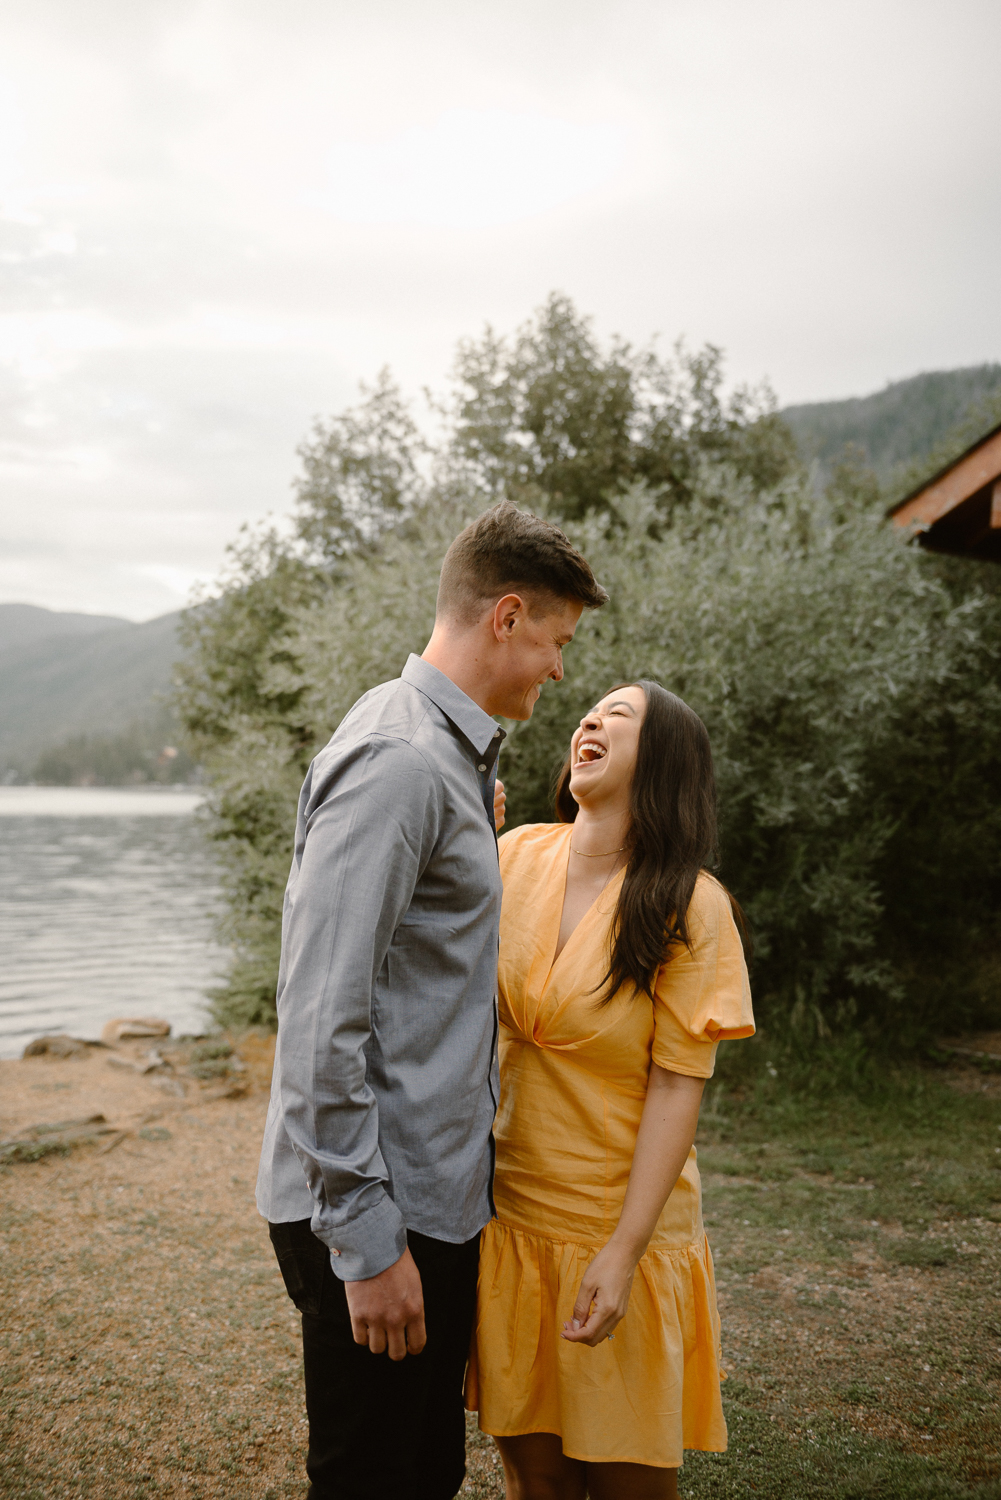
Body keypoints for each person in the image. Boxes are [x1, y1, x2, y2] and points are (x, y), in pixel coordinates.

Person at [255, 501, 608, 1500]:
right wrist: (365, 1242)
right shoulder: (402, 763)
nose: (557, 668)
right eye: (555, 639)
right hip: (379, 1204)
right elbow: (322, 1019)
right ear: (506, 616)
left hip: (431, 1198)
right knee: (375, 1481)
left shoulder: (444, 762)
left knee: (422, 1475)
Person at [465, 680, 755, 1499]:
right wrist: (458, 832)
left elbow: (675, 1087)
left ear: (659, 761)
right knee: (537, 1483)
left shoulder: (689, 904)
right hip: (511, 1216)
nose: (588, 719)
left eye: (617, 716)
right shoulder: (513, 852)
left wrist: (624, 1252)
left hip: (618, 1225)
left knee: (629, 1481)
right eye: (588, 712)